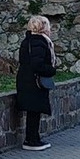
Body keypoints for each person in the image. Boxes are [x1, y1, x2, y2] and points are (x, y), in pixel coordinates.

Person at [16, 15, 57, 151]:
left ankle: (34, 138)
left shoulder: (27, 41)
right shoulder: (40, 42)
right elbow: (37, 64)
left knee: (33, 111)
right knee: (34, 111)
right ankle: (31, 140)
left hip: (26, 80)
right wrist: (51, 70)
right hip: (34, 82)